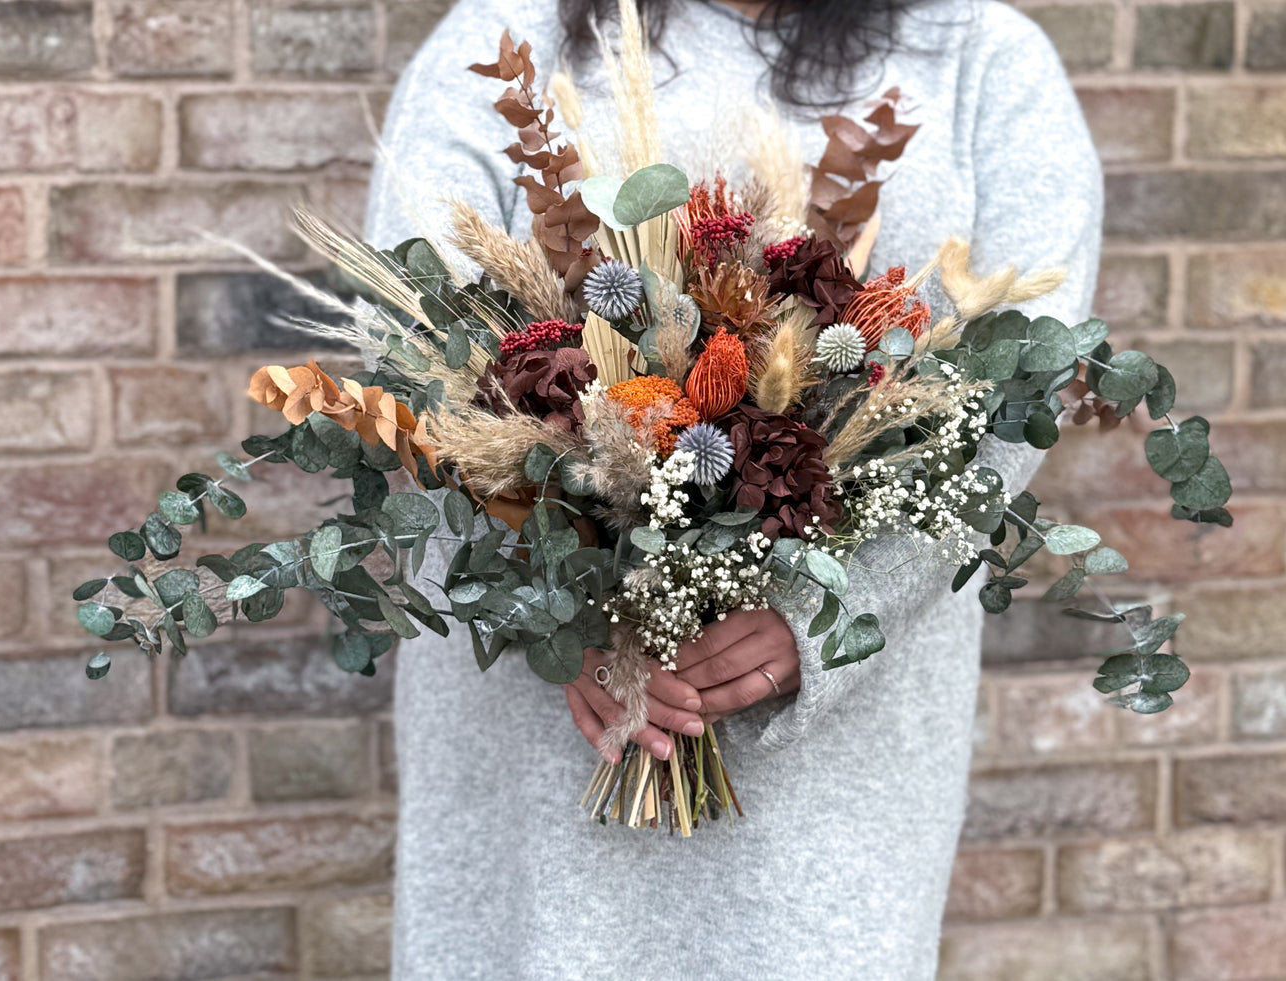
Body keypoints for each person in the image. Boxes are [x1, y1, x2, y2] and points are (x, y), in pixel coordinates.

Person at [363, 0, 1101, 977]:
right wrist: (551, 611)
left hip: (824, 776)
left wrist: (824, 612)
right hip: (537, 749)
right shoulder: (503, 38)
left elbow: (1017, 387)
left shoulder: (979, 58)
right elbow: (409, 353)